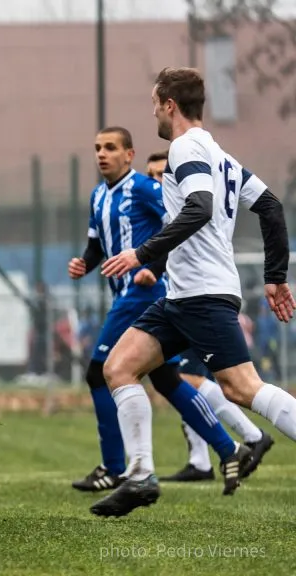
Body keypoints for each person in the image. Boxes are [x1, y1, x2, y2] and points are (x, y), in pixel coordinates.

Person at [93, 67, 296, 517]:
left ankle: (146, 471)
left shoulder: (185, 147)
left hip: (203, 294)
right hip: (181, 297)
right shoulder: (220, 154)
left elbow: (200, 208)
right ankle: (142, 475)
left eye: (154, 105)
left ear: (169, 105)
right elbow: (270, 206)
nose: (153, 115)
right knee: (119, 367)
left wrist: (141, 254)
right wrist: (276, 275)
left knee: (243, 388)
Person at [67, 127, 245, 495]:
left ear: (129, 154)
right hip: (127, 297)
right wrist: (83, 263)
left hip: (143, 295)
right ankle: (230, 449)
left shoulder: (145, 189)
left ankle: (114, 467)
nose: (102, 154)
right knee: (165, 380)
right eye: (98, 147)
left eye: (111, 148)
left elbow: (178, 229)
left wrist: (156, 267)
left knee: (98, 373)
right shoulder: (98, 196)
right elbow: (95, 246)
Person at [145, 151, 275, 483]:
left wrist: (146, 262)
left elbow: (267, 205)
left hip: (198, 303)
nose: (158, 181)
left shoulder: (191, 201)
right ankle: (200, 460)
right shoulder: (164, 210)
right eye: (152, 175)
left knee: (207, 383)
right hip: (179, 303)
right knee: (177, 381)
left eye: (163, 174)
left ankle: (249, 436)